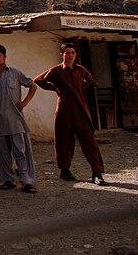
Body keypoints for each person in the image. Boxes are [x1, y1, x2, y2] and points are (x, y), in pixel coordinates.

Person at [34, 42, 108, 186]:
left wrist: (81, 89)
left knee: (89, 142)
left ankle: (97, 172)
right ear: (61, 54)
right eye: (67, 53)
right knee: (64, 141)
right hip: (64, 110)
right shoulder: (56, 71)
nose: (70, 55)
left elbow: (89, 80)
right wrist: (54, 88)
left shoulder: (80, 70)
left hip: (81, 110)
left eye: (72, 53)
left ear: (76, 54)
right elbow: (39, 80)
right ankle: (65, 170)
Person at [0, 45, 38, 193]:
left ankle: (26, 181)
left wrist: (24, 103)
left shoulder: (15, 73)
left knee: (20, 152)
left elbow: (32, 85)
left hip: (15, 121)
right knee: (2, 154)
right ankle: (7, 179)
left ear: (4, 56)